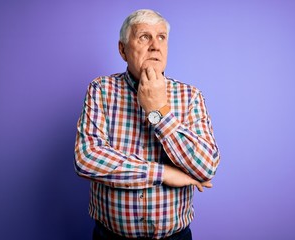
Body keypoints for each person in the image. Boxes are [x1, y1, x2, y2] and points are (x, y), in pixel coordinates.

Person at [74, 9, 220, 240]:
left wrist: (158, 111)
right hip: (110, 236)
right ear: (123, 50)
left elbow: (206, 167)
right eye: (144, 36)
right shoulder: (100, 90)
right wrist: (161, 173)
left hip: (175, 237)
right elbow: (87, 158)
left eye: (161, 37)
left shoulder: (190, 95)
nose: (155, 46)